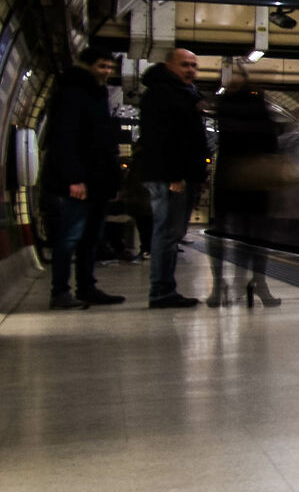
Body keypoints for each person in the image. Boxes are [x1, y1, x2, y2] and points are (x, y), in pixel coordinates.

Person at [40, 46, 125, 309]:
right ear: (86, 66)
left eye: (110, 67)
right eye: (102, 66)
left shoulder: (98, 94)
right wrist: (73, 179)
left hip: (98, 180)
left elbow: (104, 142)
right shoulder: (71, 93)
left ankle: (87, 287)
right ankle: (60, 292)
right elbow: (63, 139)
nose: (107, 71)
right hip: (79, 181)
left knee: (91, 237)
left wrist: (112, 182)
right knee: (70, 237)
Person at [130, 48, 209, 309]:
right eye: (185, 64)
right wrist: (175, 174)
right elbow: (161, 138)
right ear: (169, 66)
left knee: (171, 234)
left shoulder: (184, 93)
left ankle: (165, 289)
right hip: (171, 177)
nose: (190, 70)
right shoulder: (162, 94)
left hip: (180, 175)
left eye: (194, 65)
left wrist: (197, 174)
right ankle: (162, 291)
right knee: (166, 234)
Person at [207, 62, 282, 308]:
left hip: (237, 176)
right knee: (245, 235)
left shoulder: (229, 104)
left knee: (247, 235)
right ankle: (236, 284)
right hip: (243, 178)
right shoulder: (250, 104)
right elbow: (268, 140)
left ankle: (241, 285)